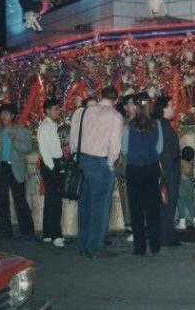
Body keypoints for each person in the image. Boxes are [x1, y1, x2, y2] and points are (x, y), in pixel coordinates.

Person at [69, 86, 123, 258]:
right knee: (100, 207)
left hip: (83, 160)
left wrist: (76, 154)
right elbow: (115, 145)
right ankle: (95, 247)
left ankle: (83, 245)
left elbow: (73, 137)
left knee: (84, 205)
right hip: (101, 163)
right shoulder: (115, 116)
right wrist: (110, 164)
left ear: (100, 96)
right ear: (116, 100)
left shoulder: (83, 111)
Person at [0, 103, 35, 240]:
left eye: (6, 114)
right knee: (1, 200)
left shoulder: (22, 131)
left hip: (16, 168)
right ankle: (6, 232)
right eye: (2, 114)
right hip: (0, 169)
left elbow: (27, 148)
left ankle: (27, 232)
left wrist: (14, 139)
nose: (3, 116)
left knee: (20, 201)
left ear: (13, 115)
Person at [126, 92, 163, 256]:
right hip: (151, 167)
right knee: (153, 208)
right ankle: (155, 245)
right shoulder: (156, 124)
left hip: (134, 168)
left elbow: (124, 149)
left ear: (136, 107)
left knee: (136, 209)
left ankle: (139, 247)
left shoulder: (129, 126)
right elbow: (159, 148)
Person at [154, 95, 182, 247]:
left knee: (166, 204)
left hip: (167, 170)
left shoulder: (161, 124)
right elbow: (164, 152)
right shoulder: (162, 126)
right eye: (171, 106)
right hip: (168, 171)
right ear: (163, 108)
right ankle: (166, 237)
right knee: (167, 204)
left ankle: (165, 234)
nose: (173, 108)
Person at [37, 98, 65, 248]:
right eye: (56, 109)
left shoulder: (54, 125)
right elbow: (44, 150)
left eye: (59, 109)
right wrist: (53, 168)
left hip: (54, 162)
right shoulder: (44, 127)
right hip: (50, 164)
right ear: (47, 111)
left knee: (50, 199)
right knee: (55, 200)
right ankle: (56, 235)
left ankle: (47, 233)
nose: (58, 111)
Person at [118, 93, 136, 242]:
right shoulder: (122, 123)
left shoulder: (144, 121)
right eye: (131, 103)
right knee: (128, 192)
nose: (134, 106)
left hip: (141, 160)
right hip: (127, 160)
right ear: (125, 107)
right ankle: (130, 222)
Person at [176, 146, 195, 230]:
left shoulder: (179, 162)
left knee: (181, 203)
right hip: (189, 184)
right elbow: (191, 176)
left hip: (181, 184)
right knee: (191, 203)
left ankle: (182, 223)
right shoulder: (191, 164)